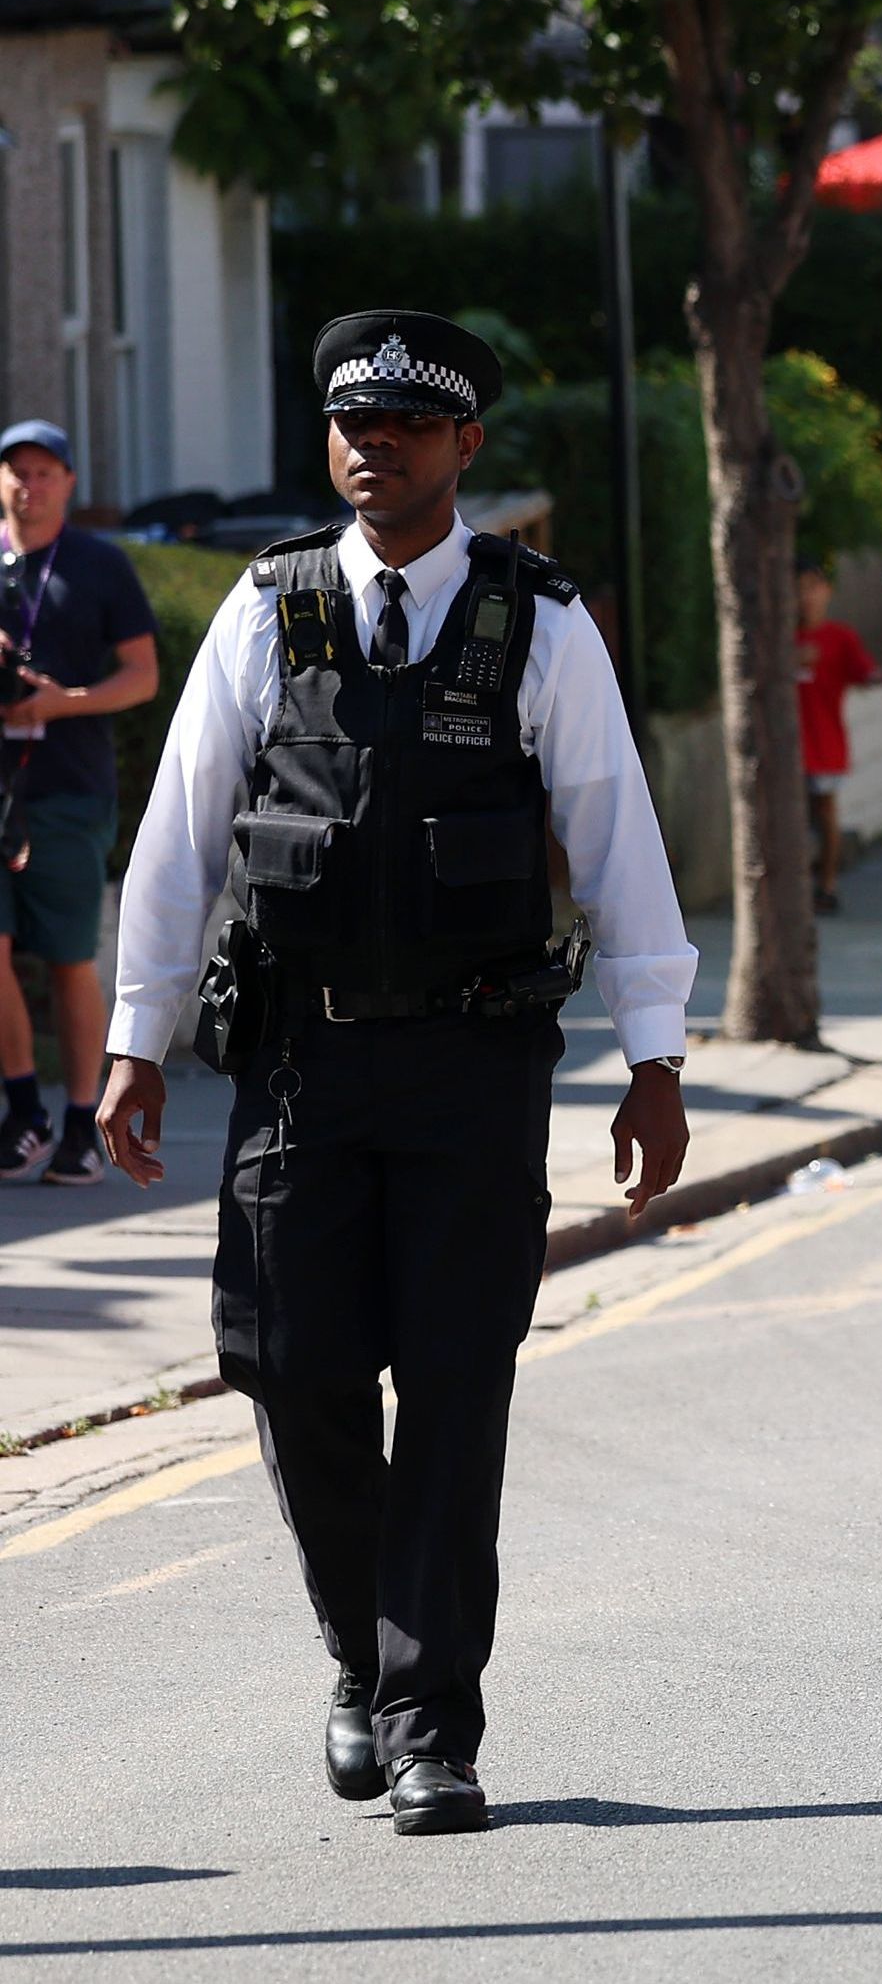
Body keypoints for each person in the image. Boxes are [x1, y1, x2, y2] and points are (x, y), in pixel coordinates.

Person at [90, 312, 697, 1835]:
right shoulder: (268, 609)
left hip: (473, 1067)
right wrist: (131, 1040)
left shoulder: (535, 624)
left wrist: (658, 1054)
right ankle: (360, 1650)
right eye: (356, 423)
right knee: (291, 1369)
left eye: (413, 426)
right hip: (296, 1065)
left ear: (464, 448)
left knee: (452, 1390)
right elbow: (175, 837)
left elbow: (620, 844)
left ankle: (433, 1720)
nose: (379, 446)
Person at [0, 420, 160, 1186]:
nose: (28, 486)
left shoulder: (97, 565)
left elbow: (143, 675)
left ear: (67, 480)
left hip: (67, 788)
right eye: (15, 472)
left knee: (68, 959)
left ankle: (78, 1121)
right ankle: (23, 1109)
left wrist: (65, 702)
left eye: (43, 472)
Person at [792, 561, 875, 915]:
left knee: (825, 813)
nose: (805, 596)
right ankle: (795, 887)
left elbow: (867, 674)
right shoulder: (776, 639)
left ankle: (827, 884)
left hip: (824, 743)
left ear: (827, 591)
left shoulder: (839, 638)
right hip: (787, 750)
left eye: (813, 586)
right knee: (791, 819)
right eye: (798, 587)